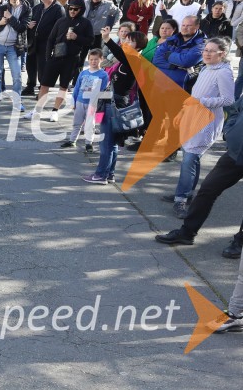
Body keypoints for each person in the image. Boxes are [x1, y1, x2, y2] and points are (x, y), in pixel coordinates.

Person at [154, 89, 243, 260]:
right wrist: (230, 132)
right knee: (208, 189)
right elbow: (235, 109)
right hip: (234, 153)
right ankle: (187, 232)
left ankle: (239, 241)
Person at [161, 37, 234, 217]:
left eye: (211, 51)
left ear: (222, 54)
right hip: (192, 117)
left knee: (189, 159)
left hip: (206, 122)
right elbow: (194, 95)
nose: (206, 53)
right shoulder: (206, 68)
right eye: (205, 50)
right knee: (191, 158)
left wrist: (201, 102)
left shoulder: (223, 72)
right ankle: (187, 193)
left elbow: (228, 100)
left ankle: (181, 200)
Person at [82, 28, 147, 184]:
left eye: (130, 41)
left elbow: (119, 54)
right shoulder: (130, 58)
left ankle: (101, 175)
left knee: (106, 142)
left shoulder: (133, 59)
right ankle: (109, 173)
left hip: (115, 103)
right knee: (113, 142)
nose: (126, 42)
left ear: (138, 46)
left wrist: (107, 39)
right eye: (125, 39)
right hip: (113, 100)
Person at [24, 0, 94, 122]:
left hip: (72, 59)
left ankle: (55, 111)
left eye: (75, 9)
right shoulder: (61, 21)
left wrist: (76, 37)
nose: (72, 11)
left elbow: (90, 41)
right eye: (70, 8)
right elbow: (51, 39)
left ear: (81, 10)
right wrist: (48, 57)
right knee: (44, 85)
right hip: (55, 57)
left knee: (63, 86)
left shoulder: (85, 23)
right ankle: (37, 110)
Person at [60, 49, 109, 152]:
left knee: (90, 124)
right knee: (77, 122)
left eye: (96, 59)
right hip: (80, 101)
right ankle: (72, 140)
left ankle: (88, 143)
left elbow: (103, 90)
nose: (93, 62)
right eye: (91, 59)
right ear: (88, 60)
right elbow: (77, 87)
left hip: (92, 103)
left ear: (101, 59)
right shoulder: (83, 73)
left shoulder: (103, 75)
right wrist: (73, 100)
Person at [23, 0, 65, 96]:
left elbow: (61, 29)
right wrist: (28, 25)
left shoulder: (58, 9)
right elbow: (29, 19)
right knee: (30, 64)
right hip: (34, 41)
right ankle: (30, 85)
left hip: (46, 43)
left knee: (43, 67)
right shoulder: (38, 7)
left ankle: (42, 89)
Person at [152, 15, 205, 89]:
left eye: (189, 25)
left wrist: (168, 55)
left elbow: (186, 61)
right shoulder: (172, 39)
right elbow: (156, 59)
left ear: (197, 26)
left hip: (180, 87)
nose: (185, 28)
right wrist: (174, 65)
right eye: (183, 25)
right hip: (159, 83)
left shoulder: (202, 44)